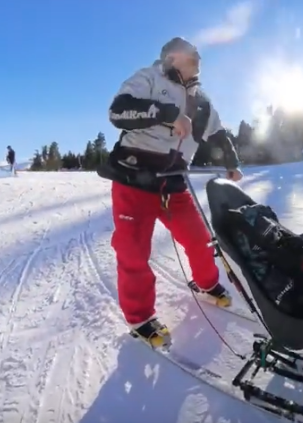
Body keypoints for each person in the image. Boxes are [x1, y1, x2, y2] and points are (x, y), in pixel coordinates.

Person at [97, 37, 243, 347]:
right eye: (192, 54)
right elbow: (119, 112)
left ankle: (206, 284)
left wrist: (231, 162)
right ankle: (140, 318)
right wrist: (167, 114)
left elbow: (218, 135)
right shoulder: (148, 78)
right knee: (133, 250)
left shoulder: (201, 100)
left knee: (200, 239)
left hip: (173, 184)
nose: (198, 58)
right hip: (134, 179)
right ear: (172, 57)